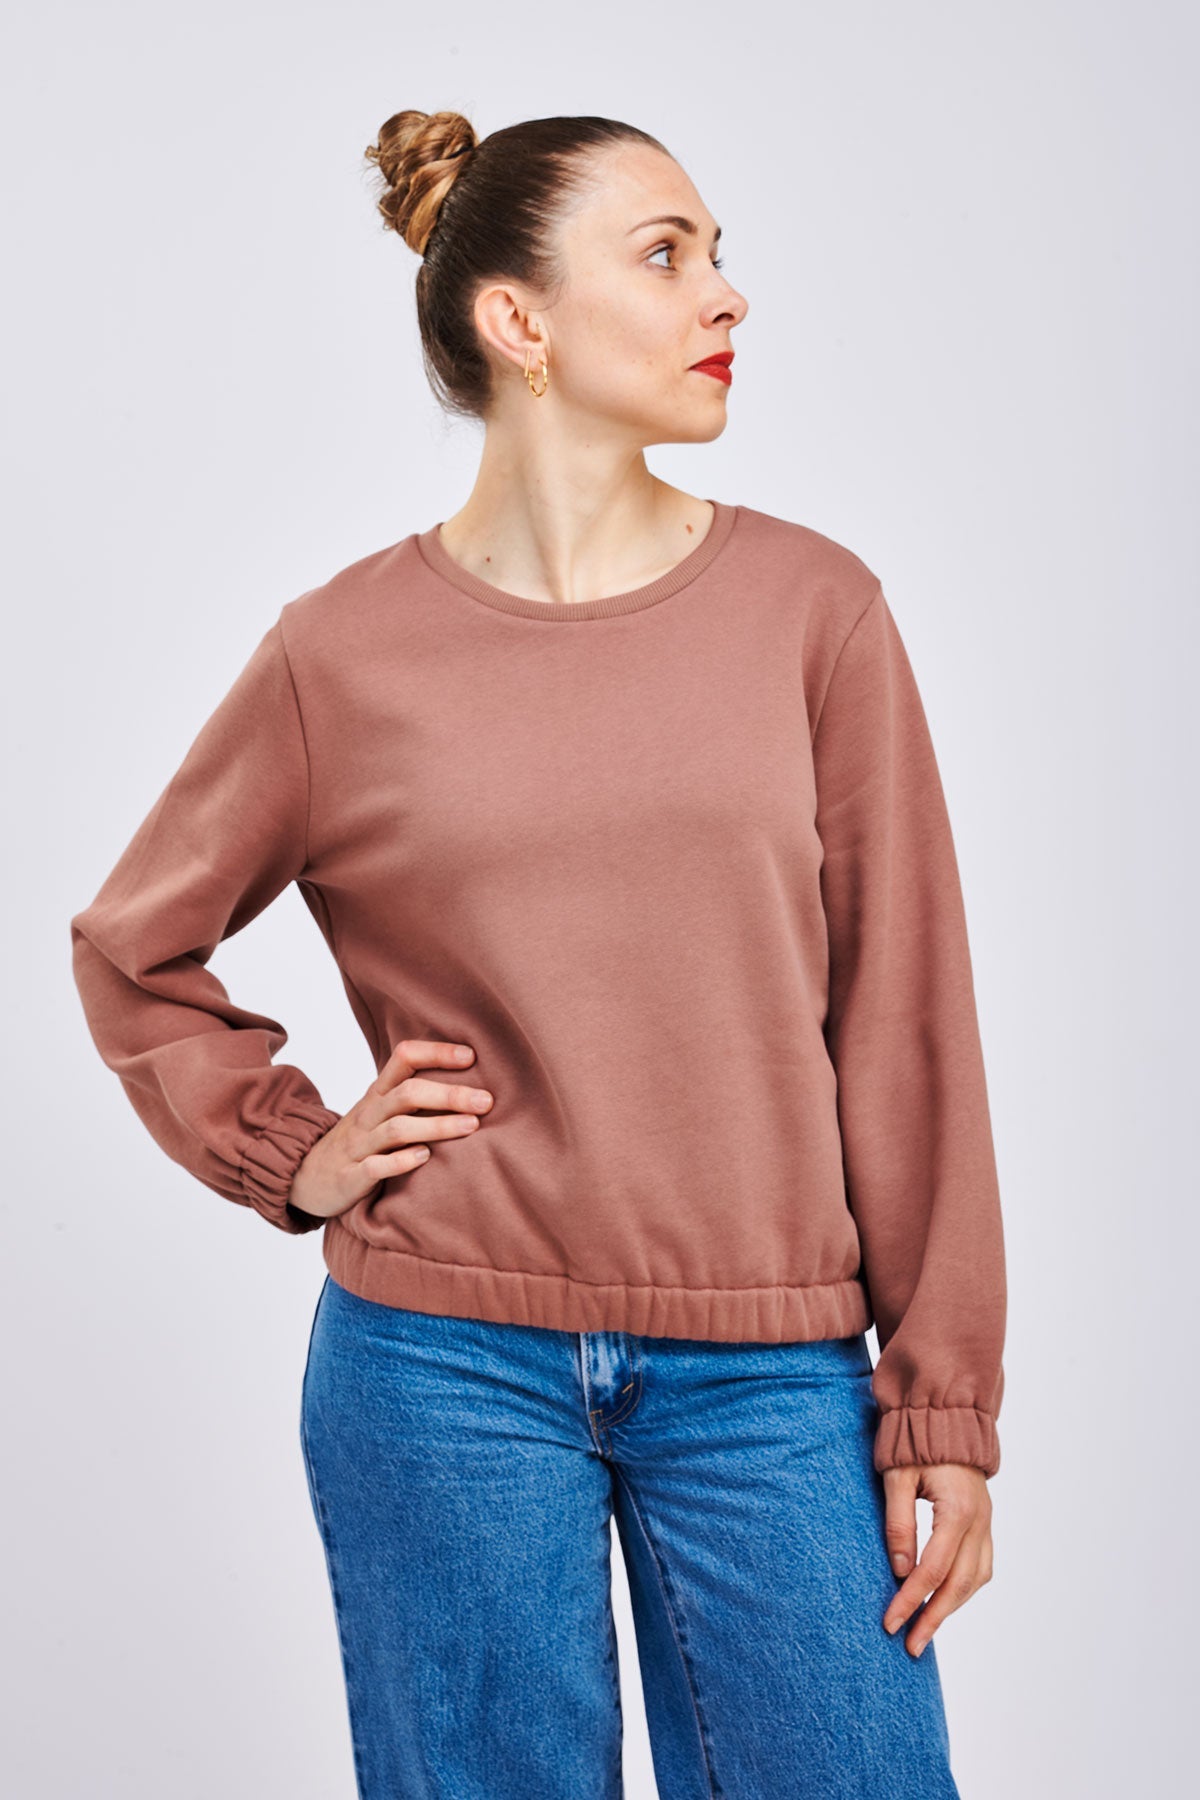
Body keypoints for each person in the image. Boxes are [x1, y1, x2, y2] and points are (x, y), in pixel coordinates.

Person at [69, 108, 1006, 1799]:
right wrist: (296, 1154)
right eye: (665, 253)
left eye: (718, 252)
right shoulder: (342, 655)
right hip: (438, 1365)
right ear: (520, 321)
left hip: (772, 1373)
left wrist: (942, 1401)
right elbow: (134, 948)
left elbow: (906, 1015)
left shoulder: (817, 614)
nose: (726, 293)